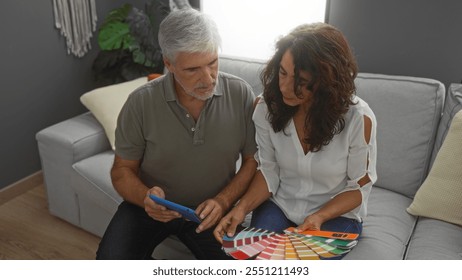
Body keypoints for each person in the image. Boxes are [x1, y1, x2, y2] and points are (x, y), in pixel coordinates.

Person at [96, 8, 257, 260]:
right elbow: (121, 171)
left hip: (211, 209)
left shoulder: (241, 94)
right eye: (193, 70)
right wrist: (145, 198)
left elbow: (252, 162)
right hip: (149, 208)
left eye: (212, 63)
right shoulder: (140, 102)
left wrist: (223, 201)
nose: (208, 78)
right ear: (169, 64)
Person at [214, 23, 377, 254]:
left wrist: (319, 216)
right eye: (282, 72)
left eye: (300, 80)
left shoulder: (359, 119)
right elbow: (268, 170)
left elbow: (359, 188)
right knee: (253, 258)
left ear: (325, 80)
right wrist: (240, 209)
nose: (285, 87)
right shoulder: (264, 108)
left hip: (334, 216)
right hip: (280, 206)